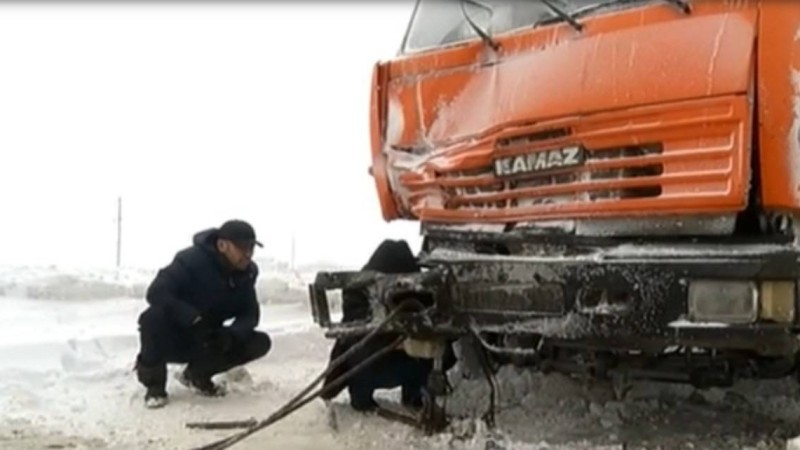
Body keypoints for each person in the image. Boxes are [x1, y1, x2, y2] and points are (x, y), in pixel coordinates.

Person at [134, 219, 272, 409]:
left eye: (251, 248)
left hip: (208, 338)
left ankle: (196, 375)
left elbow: (249, 315)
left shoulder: (247, 274)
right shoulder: (190, 260)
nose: (247, 255)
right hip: (175, 335)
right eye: (242, 248)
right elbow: (156, 292)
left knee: (259, 342)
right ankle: (155, 387)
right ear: (222, 245)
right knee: (152, 319)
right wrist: (191, 316)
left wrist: (230, 336)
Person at [319, 239, 456, 412]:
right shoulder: (360, 292)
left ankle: (413, 398)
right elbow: (353, 333)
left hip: (400, 362)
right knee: (361, 355)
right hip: (370, 361)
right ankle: (367, 400)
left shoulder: (420, 292)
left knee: (428, 355)